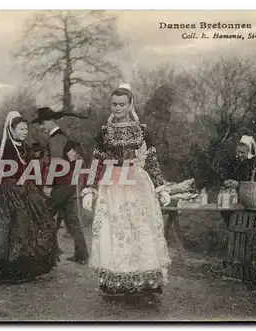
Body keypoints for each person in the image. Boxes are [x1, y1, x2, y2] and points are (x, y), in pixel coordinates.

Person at [81, 84, 171, 298]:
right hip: (113, 184)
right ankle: (116, 281)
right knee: (115, 230)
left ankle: (145, 280)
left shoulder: (143, 130)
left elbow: (152, 160)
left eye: (122, 104)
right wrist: (89, 189)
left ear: (130, 105)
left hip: (138, 183)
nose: (117, 108)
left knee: (141, 229)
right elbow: (96, 162)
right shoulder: (104, 132)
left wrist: (161, 187)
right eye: (114, 104)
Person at [0, 111, 57, 284]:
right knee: (11, 230)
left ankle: (26, 269)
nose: (24, 132)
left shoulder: (25, 147)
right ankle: (7, 271)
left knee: (34, 226)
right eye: (21, 129)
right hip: (8, 192)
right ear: (12, 130)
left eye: (26, 129)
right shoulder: (4, 149)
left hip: (26, 189)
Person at [32, 107, 89, 265]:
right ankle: (82, 254)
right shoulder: (64, 137)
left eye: (42, 123)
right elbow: (77, 159)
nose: (41, 127)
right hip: (68, 184)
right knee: (72, 221)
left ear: (50, 121)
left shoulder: (56, 139)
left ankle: (47, 254)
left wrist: (49, 184)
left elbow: (56, 163)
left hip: (60, 185)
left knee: (44, 216)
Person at [221, 135, 256, 226]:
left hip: (247, 198)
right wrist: (227, 181)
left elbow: (254, 185)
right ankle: (232, 228)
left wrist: (239, 184)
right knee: (225, 210)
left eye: (243, 152)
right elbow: (226, 177)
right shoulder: (233, 163)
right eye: (238, 152)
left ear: (249, 152)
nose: (240, 155)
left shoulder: (253, 165)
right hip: (233, 195)